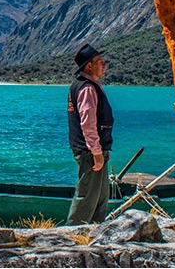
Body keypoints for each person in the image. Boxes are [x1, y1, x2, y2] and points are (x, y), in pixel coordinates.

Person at [66, 43, 114, 225]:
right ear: (89, 66)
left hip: (92, 150)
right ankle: (72, 236)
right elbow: (88, 124)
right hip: (90, 152)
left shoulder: (85, 85)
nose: (104, 64)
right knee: (87, 197)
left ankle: (94, 232)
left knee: (100, 196)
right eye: (100, 61)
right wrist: (96, 153)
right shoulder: (87, 88)